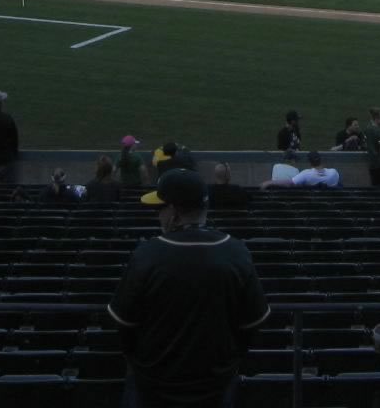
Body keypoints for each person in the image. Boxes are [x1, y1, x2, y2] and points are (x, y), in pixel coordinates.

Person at [110, 168, 269, 406]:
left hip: (154, 384)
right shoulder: (236, 251)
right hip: (217, 383)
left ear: (173, 213)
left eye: (160, 208)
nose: (158, 215)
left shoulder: (147, 254)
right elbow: (253, 323)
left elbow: (124, 324)